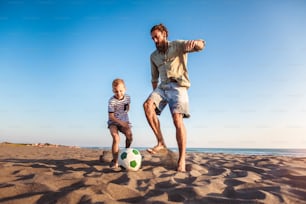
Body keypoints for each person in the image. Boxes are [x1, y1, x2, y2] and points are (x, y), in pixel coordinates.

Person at [143, 23, 205, 172]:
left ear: (164, 34)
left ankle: (181, 159)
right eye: (152, 39)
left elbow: (201, 45)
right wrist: (155, 99)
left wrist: (196, 43)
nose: (155, 41)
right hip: (162, 87)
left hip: (179, 87)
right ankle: (160, 142)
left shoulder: (177, 45)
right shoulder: (153, 56)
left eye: (156, 37)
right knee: (147, 106)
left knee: (177, 120)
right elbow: (154, 78)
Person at [107, 78, 133, 168]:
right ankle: (115, 161)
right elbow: (111, 116)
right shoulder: (111, 101)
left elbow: (127, 106)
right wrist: (121, 123)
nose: (118, 93)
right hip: (113, 122)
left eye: (121, 91)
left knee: (129, 136)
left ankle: (126, 152)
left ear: (125, 89)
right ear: (113, 90)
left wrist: (125, 116)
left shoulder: (128, 97)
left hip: (124, 121)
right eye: (116, 91)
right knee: (116, 138)